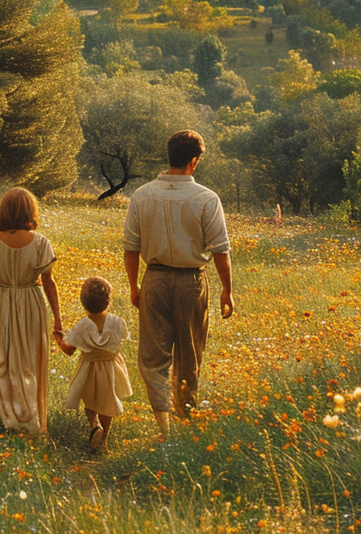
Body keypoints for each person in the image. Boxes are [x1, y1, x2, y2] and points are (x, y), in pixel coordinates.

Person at [123, 129, 234, 437]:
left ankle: (164, 427)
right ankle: (185, 419)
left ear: (170, 156)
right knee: (189, 355)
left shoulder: (142, 195)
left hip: (154, 279)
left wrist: (134, 286)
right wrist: (227, 289)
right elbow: (220, 250)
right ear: (194, 162)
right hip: (191, 282)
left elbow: (131, 246)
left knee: (153, 357)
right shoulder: (206, 199)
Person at [0, 187, 63, 435]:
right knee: (30, 362)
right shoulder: (41, 242)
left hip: (0, 302)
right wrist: (58, 319)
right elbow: (48, 282)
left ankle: (11, 421)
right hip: (31, 303)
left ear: (3, 211)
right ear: (30, 211)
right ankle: (31, 419)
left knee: (2, 361)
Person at [55, 276, 133, 452]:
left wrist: (59, 340)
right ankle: (103, 439)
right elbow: (121, 340)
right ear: (109, 301)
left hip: (89, 368)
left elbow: (69, 350)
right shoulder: (118, 322)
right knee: (107, 402)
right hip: (111, 367)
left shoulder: (83, 325)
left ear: (83, 303)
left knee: (90, 401)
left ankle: (94, 424)